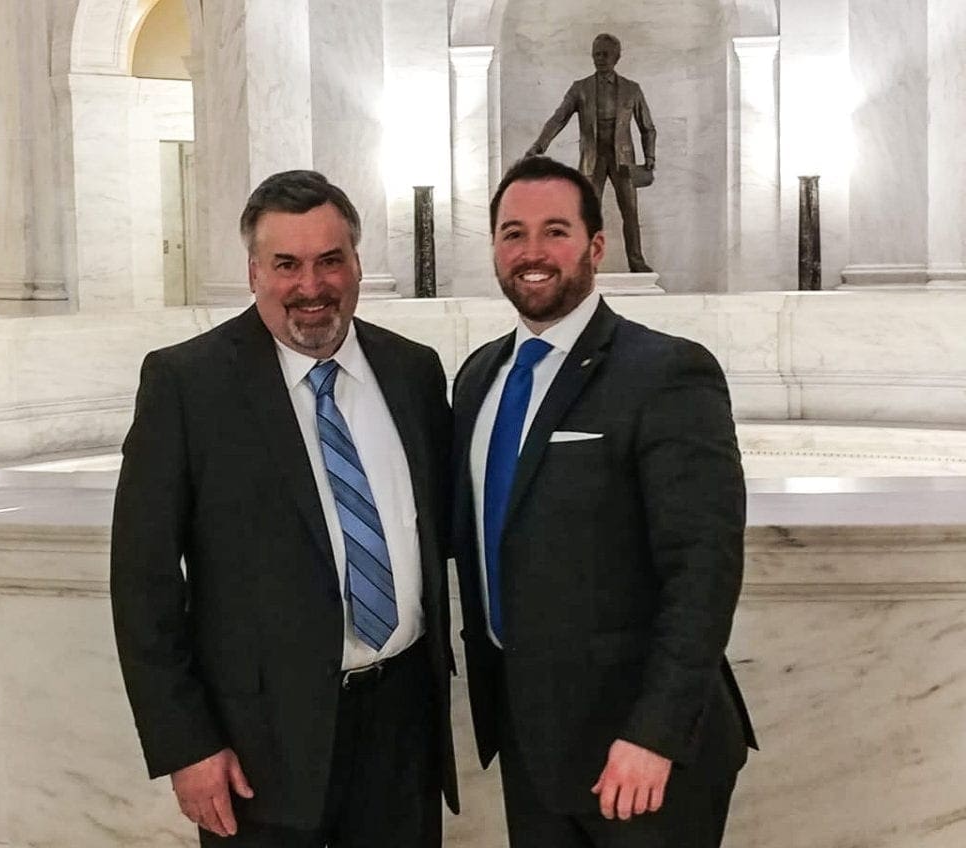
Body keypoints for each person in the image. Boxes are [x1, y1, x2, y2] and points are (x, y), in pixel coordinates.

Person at [110, 170, 458, 847]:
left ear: (357, 264)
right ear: (253, 273)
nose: (311, 286)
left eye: (331, 260)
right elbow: (142, 582)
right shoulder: (188, 386)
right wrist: (187, 746)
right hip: (256, 750)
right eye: (286, 265)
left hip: (402, 733)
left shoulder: (414, 372)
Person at [451, 155, 756, 848]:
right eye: (512, 233)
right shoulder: (477, 379)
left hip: (641, 751)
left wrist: (655, 734)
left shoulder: (667, 371)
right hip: (529, 740)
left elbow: (703, 568)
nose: (531, 252)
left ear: (595, 245)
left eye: (554, 231)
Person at [526, 33, 657, 273]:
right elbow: (559, 118)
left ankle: (636, 262)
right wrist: (540, 144)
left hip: (623, 161)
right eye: (596, 54)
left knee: (630, 212)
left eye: (605, 54)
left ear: (617, 57)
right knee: (586, 215)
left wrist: (649, 158)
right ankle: (586, 263)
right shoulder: (580, 88)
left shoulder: (631, 89)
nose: (600, 59)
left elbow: (647, 127)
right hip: (592, 159)